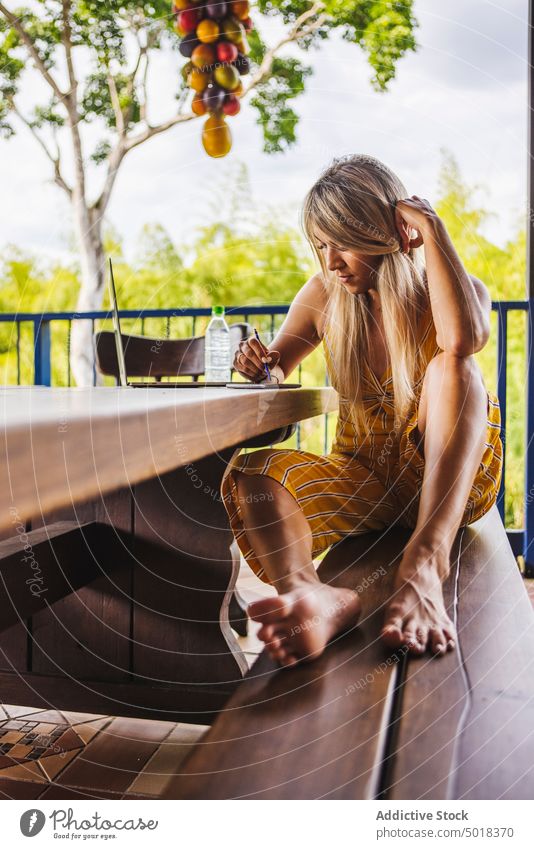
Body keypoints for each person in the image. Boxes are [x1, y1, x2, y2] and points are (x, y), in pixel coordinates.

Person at [221, 154, 503, 667]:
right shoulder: (324, 295)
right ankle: (313, 595)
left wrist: (432, 229)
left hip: (446, 482)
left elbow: (463, 339)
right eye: (321, 245)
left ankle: (424, 565)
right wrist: (261, 366)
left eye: (342, 243)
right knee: (252, 476)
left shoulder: (446, 293)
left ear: (389, 233)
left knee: (453, 369)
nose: (330, 262)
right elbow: (276, 367)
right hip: (363, 480)